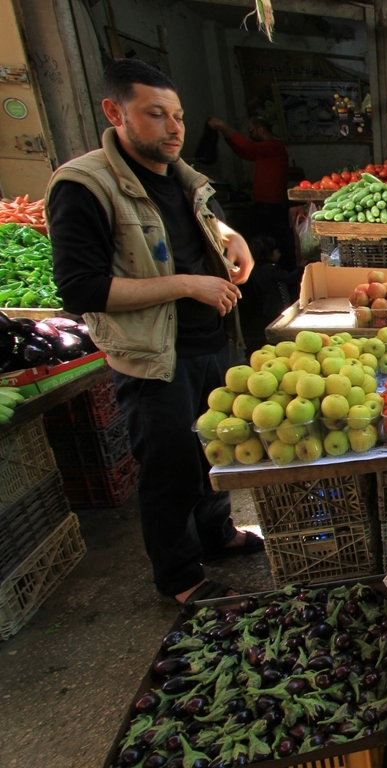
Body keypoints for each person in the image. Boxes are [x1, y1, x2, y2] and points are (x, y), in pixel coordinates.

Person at [47, 59, 261, 606]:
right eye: (156, 114)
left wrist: (233, 238)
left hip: (207, 340)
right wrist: (188, 285)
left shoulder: (181, 178)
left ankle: (218, 535)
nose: (173, 128)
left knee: (209, 449)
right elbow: (82, 290)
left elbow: (206, 225)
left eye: (179, 116)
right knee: (167, 464)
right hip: (151, 354)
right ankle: (180, 578)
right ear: (115, 112)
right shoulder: (85, 186)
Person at [206, 113, 291, 264]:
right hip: (264, 204)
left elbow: (246, 146)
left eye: (251, 131)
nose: (249, 134)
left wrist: (223, 126)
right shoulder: (264, 151)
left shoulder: (274, 146)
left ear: (261, 130)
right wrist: (225, 134)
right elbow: (243, 151)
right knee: (265, 239)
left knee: (273, 240)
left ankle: (278, 270)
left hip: (272, 205)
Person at [247, 235, 303, 325]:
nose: (279, 254)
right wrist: (301, 267)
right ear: (269, 254)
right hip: (279, 308)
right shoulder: (271, 269)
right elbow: (290, 278)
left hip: (267, 308)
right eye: (277, 251)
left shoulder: (256, 270)